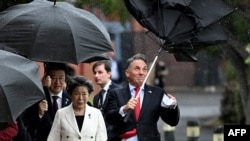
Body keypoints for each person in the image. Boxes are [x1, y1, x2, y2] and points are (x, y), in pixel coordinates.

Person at [105, 53, 180, 141]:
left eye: (144, 69)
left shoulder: (158, 93)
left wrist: (172, 106)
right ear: (127, 73)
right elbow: (109, 118)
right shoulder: (115, 93)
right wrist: (124, 109)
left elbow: (172, 121)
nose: (141, 73)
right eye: (137, 69)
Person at [47, 76, 107, 141]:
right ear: (70, 95)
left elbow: (102, 138)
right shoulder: (61, 114)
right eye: (76, 94)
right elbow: (53, 139)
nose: (80, 98)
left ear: (88, 95)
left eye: (84, 94)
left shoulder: (96, 114)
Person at [23, 62, 72, 141]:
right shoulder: (37, 99)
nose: (57, 82)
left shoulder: (71, 99)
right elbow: (28, 126)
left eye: (61, 78)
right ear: (46, 78)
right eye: (53, 78)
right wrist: (39, 114)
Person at [92, 60, 122, 141]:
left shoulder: (119, 91)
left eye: (100, 72)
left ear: (109, 73)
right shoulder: (96, 97)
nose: (96, 75)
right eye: (95, 73)